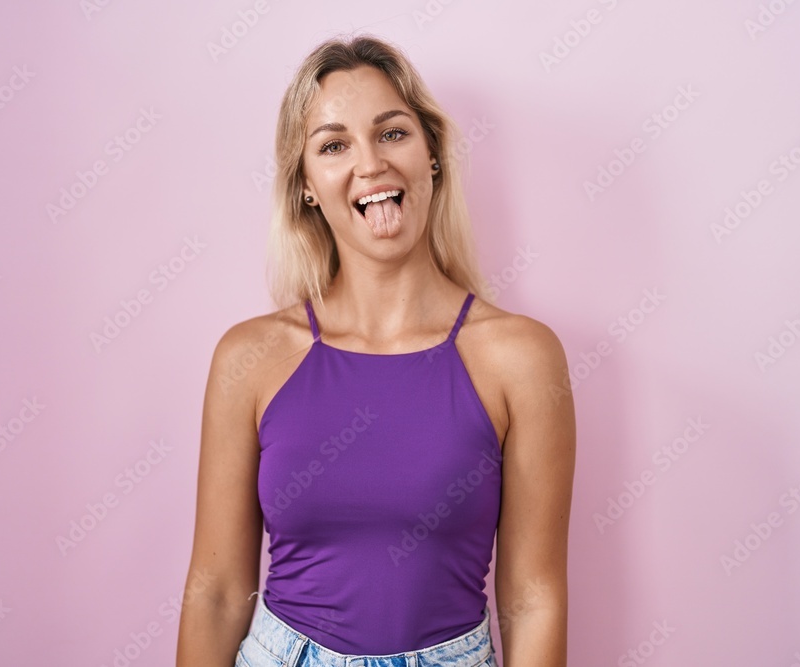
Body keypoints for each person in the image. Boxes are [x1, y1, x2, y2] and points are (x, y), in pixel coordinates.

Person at [176, 33, 576, 667]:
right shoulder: (249, 357)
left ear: (432, 155)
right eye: (334, 145)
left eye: (392, 133)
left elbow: (533, 597)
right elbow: (218, 594)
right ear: (306, 185)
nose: (370, 164)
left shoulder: (520, 358)